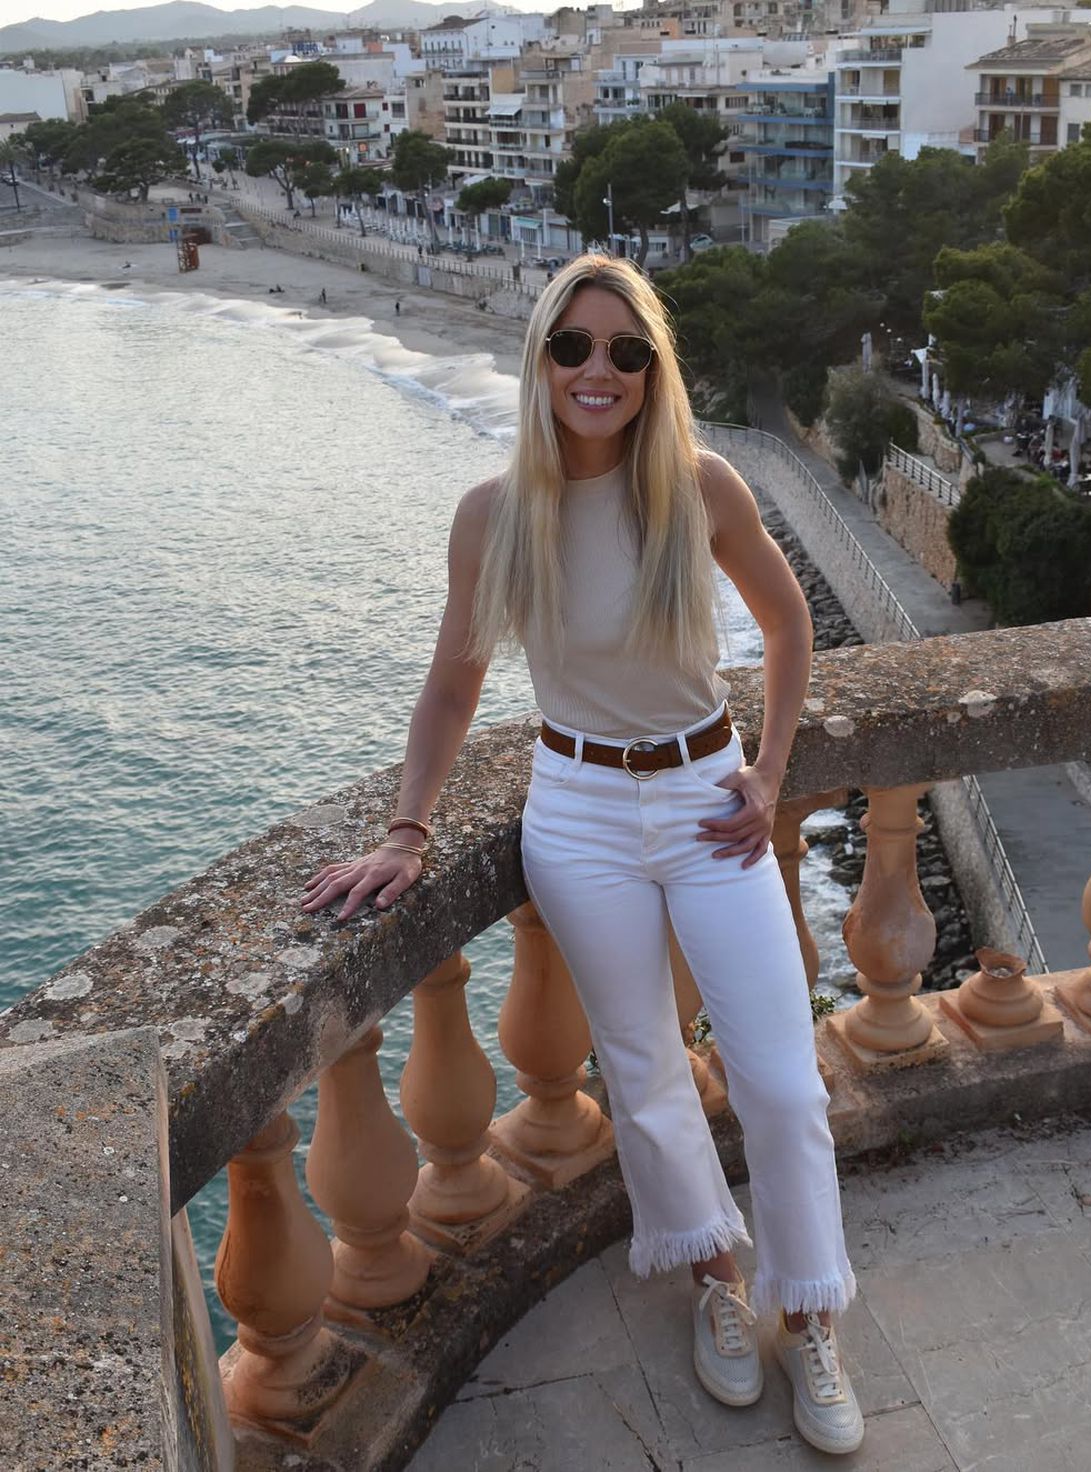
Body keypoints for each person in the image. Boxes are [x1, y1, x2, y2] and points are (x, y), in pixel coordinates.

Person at [301, 255, 863, 1457]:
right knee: (645, 1072)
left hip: (708, 797)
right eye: (572, 346)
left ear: (653, 369)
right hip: (580, 812)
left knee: (779, 1078)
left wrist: (769, 771)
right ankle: (717, 1277)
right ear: (541, 361)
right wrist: (407, 826)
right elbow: (452, 686)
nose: (596, 370)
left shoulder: (698, 487)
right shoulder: (495, 514)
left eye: (624, 350)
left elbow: (788, 621)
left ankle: (812, 1310)